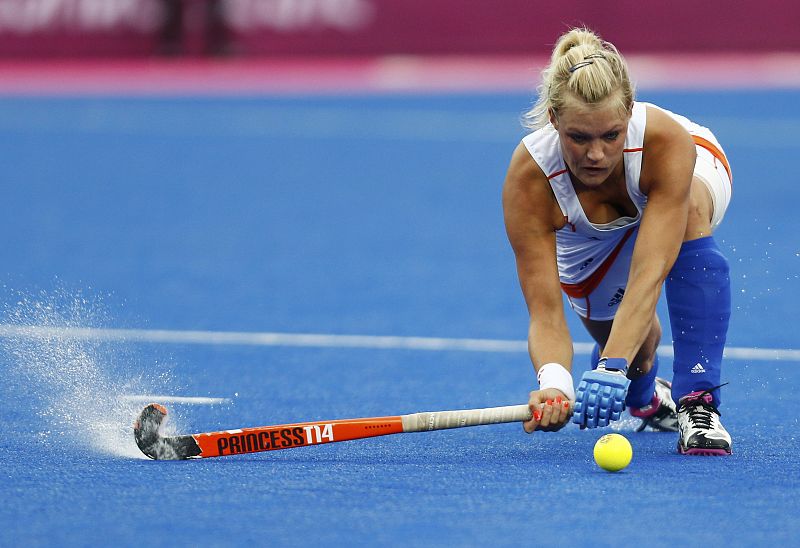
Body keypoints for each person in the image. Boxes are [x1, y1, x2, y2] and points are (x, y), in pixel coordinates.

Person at [502, 27, 733, 455]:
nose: (596, 155)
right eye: (579, 137)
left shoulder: (665, 141)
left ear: (628, 112)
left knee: (689, 213)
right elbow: (545, 312)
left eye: (611, 135)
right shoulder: (530, 178)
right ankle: (645, 399)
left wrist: (611, 365)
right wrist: (555, 383)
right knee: (636, 351)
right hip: (586, 238)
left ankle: (698, 402)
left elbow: (650, 274)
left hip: (681, 173)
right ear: (554, 119)